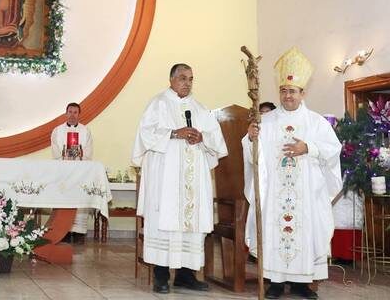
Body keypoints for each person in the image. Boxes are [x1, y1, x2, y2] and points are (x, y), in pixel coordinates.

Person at [244, 47, 342, 299]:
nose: (287, 95)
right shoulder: (266, 120)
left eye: (292, 91)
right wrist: (251, 137)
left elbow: (333, 148)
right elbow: (252, 153)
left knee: (305, 231)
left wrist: (307, 147)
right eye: (283, 91)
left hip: (306, 193)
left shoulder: (316, 122)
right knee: (274, 229)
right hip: (276, 193)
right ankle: (275, 282)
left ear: (302, 93)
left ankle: (302, 283)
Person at [131, 64, 228, 293]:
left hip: (193, 182)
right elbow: (145, 134)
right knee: (165, 223)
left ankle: (186, 276)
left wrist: (201, 137)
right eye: (183, 78)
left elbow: (218, 142)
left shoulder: (200, 109)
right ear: (171, 80)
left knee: (191, 226)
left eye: (191, 79)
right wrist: (175, 133)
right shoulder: (158, 104)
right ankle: (161, 276)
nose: (187, 83)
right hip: (166, 179)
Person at [51, 102, 94, 243]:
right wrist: (63, 155)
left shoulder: (85, 131)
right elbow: (55, 151)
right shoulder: (57, 131)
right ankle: (60, 231)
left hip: (79, 172)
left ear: (79, 114)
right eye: (70, 112)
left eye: (75, 112)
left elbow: (88, 152)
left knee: (79, 199)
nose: (72, 115)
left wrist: (81, 154)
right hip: (62, 172)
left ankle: (78, 232)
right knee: (62, 199)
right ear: (66, 113)